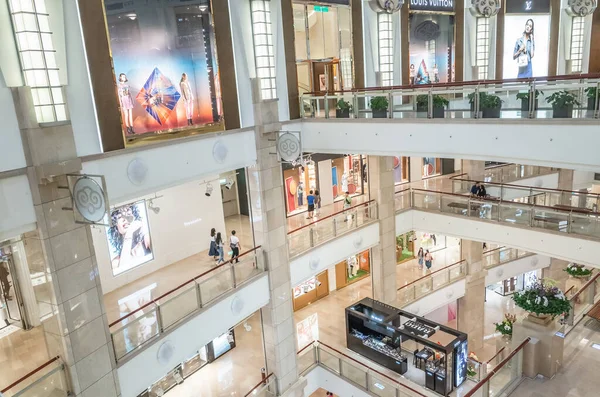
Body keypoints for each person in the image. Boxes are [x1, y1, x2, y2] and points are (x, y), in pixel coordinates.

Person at [108, 205, 152, 273]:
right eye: (119, 217)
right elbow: (123, 274)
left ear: (135, 218)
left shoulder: (147, 240)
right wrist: (129, 233)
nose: (125, 219)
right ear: (116, 226)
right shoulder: (115, 263)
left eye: (128, 214)